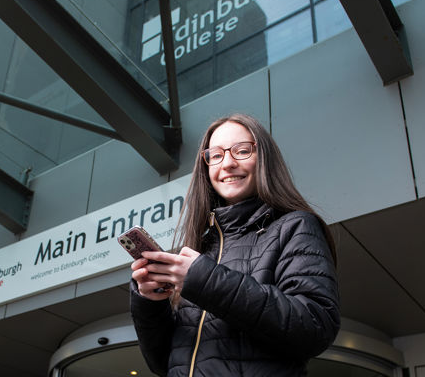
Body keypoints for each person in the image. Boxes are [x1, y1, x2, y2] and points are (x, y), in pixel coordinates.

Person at [130, 113, 340, 376]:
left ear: (264, 159)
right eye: (215, 155)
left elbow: (315, 327)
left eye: (241, 151)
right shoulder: (203, 247)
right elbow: (163, 364)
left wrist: (205, 281)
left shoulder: (296, 226)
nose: (227, 163)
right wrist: (150, 303)